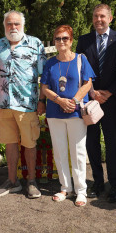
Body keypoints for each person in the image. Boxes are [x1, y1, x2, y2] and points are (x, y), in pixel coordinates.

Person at [0, 10, 47, 199]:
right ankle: (12, 181)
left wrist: (42, 100)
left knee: (29, 143)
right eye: (9, 24)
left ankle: (31, 181)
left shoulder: (35, 44)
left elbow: (43, 75)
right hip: (4, 104)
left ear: (23, 25)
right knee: (10, 143)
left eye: (16, 24)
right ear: (5, 26)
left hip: (27, 104)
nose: (13, 27)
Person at [75, 4, 116, 202]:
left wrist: (110, 92)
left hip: (112, 100)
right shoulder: (84, 41)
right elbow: (80, 69)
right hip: (90, 100)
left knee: (113, 142)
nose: (99, 20)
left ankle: (115, 184)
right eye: (95, 16)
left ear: (110, 18)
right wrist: (92, 91)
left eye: (102, 16)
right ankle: (98, 182)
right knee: (92, 142)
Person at [41, 25, 95, 207]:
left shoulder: (81, 59)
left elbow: (87, 84)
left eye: (65, 38)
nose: (61, 42)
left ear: (71, 41)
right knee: (60, 150)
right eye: (58, 39)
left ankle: (81, 190)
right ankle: (65, 187)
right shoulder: (50, 63)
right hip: (55, 112)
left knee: (78, 152)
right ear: (54, 42)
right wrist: (59, 101)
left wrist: (72, 101)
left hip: (76, 112)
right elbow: (44, 88)